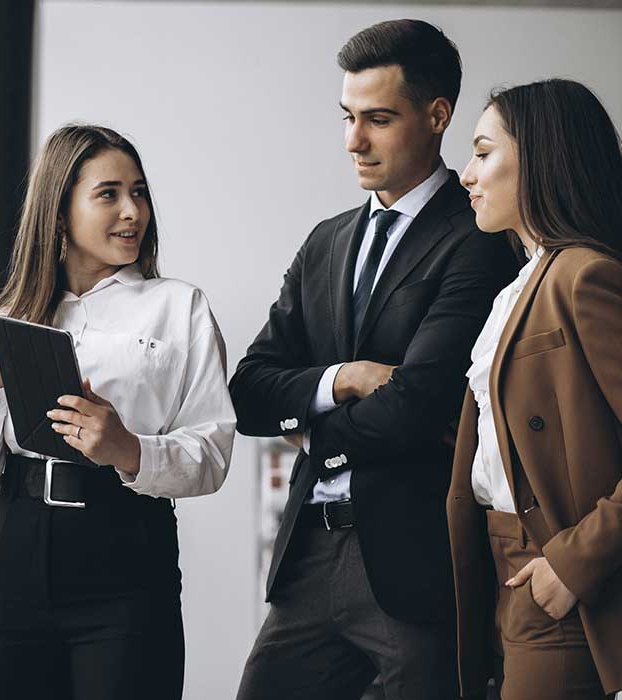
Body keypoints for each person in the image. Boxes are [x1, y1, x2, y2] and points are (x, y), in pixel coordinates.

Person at [230, 19, 518, 700]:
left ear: (437, 114)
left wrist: (312, 431)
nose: (354, 140)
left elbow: (417, 407)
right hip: (307, 557)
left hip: (414, 562)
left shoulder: (478, 239)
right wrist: (342, 379)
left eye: (379, 119)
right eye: (348, 117)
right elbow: (246, 393)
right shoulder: (326, 242)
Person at [0, 124, 236, 700]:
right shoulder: (8, 317)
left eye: (138, 192)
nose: (132, 211)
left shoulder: (178, 306)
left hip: (126, 552)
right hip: (13, 550)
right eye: (109, 194)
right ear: (59, 213)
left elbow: (213, 455)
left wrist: (128, 449)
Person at [449, 78, 622, 700]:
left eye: (484, 151)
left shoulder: (585, 275)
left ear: (543, 158)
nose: (467, 174)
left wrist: (574, 564)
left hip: (559, 570)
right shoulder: (517, 287)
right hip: (498, 565)